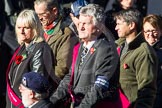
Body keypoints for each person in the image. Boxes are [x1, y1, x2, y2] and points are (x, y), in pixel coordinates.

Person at [50, 4, 120, 108]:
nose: (80, 27)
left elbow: (100, 86)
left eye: (85, 24)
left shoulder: (106, 49)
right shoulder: (81, 46)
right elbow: (69, 78)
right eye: (80, 22)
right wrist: (51, 102)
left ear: (98, 27)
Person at [6, 9, 59, 108]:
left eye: (26, 28)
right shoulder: (22, 48)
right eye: (19, 27)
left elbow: (37, 86)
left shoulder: (40, 49)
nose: (21, 31)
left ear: (35, 29)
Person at [114, 9, 158, 108]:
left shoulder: (143, 53)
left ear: (131, 25)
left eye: (119, 24)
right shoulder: (117, 46)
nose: (116, 28)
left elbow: (147, 91)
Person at [34, 0, 78, 79]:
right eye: (37, 14)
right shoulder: (36, 29)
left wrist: (41, 83)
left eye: (42, 14)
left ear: (54, 11)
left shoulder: (66, 34)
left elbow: (62, 69)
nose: (39, 18)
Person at [143, 14, 162, 108]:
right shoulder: (138, 50)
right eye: (147, 31)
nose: (150, 34)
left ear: (160, 31)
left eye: (154, 30)